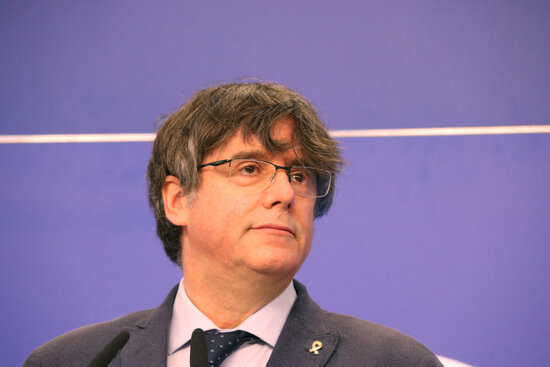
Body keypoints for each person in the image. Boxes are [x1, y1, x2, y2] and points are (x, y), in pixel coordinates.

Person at [24, 82, 443, 366]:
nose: (284, 194)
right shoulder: (76, 359)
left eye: (300, 176)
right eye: (249, 169)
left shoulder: (391, 360)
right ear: (178, 199)